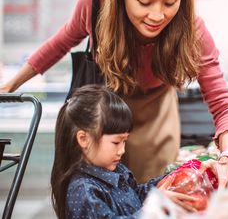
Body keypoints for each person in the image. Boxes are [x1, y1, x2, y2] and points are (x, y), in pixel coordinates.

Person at [0, 0, 228, 186]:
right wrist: (9, 86)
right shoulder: (95, 4)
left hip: (155, 124)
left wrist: (226, 156)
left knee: (149, 196)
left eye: (170, 2)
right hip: (100, 116)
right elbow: (60, 43)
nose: (157, 15)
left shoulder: (192, 30)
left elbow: (223, 104)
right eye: (144, 1)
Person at [51, 84, 202, 219]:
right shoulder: (83, 191)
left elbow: (137, 193)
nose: (122, 150)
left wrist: (181, 174)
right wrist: (154, 207)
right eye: (116, 142)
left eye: (124, 141)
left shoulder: (115, 169)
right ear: (83, 139)